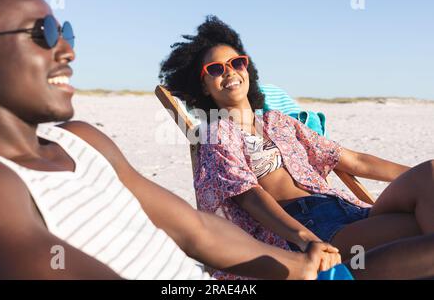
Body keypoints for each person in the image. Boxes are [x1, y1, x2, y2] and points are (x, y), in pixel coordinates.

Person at [0, 0, 345, 281]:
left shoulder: (83, 141)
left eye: (66, 33)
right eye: (43, 34)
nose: (67, 51)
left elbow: (194, 230)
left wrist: (300, 266)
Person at [159, 15, 434, 279]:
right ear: (205, 86)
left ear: (247, 68)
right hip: (310, 228)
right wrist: (306, 240)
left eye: (236, 63)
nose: (229, 72)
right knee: (422, 237)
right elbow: (249, 196)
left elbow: (354, 161)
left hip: (348, 210)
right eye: (216, 69)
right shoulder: (216, 133)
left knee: (429, 174)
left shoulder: (279, 122)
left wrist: (419, 180)